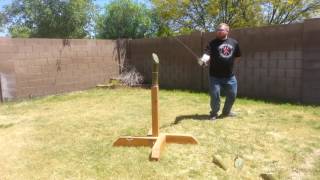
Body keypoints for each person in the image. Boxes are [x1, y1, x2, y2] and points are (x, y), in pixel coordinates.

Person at [199, 23, 241, 120]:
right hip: (215, 76)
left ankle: (226, 112)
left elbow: (238, 56)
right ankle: (214, 113)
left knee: (232, 95)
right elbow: (207, 54)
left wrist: (229, 65)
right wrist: (203, 60)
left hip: (230, 76)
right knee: (215, 96)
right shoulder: (212, 43)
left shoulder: (234, 43)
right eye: (217, 29)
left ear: (227, 31)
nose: (218, 31)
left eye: (220, 30)